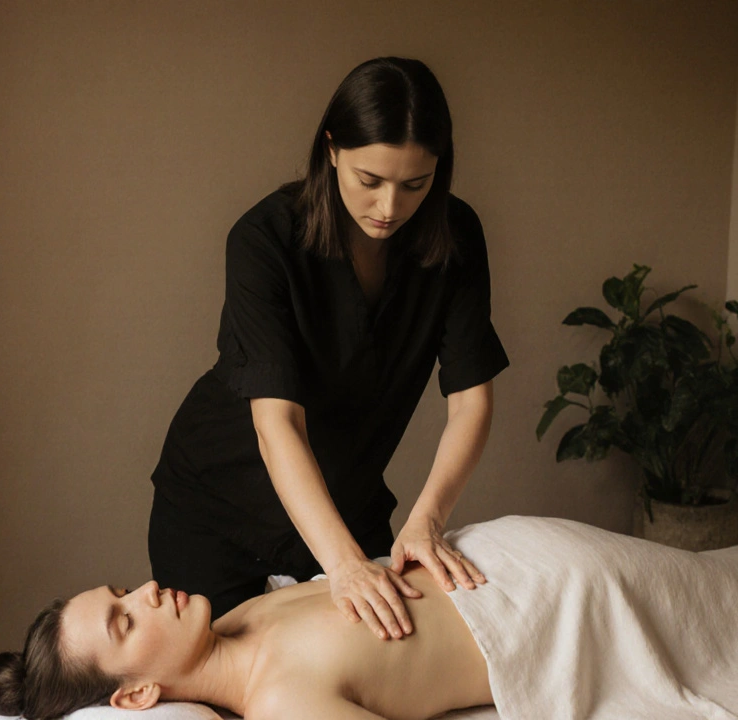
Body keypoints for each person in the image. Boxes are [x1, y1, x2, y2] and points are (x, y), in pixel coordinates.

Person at [147, 54, 509, 641]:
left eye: (414, 184)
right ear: (332, 148)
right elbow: (277, 424)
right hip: (217, 505)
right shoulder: (264, 240)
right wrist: (342, 567)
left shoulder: (455, 236)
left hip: (348, 501)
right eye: (370, 181)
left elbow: (471, 403)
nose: (389, 208)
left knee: (382, 662)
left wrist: (427, 521)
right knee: (230, 687)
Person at [0, 515, 738, 720]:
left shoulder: (235, 620)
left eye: (119, 591)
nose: (142, 593)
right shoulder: (282, 703)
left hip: (515, 552)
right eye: (122, 622)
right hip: (567, 609)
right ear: (138, 694)